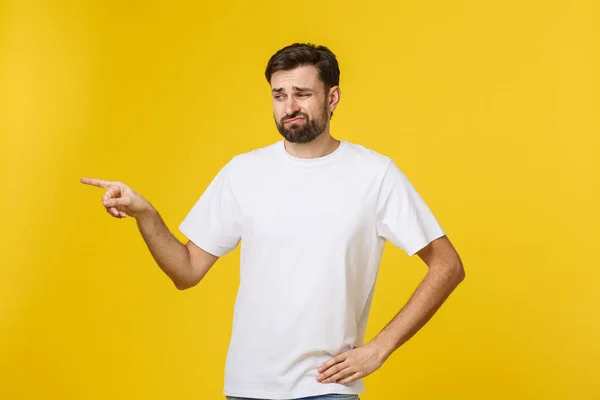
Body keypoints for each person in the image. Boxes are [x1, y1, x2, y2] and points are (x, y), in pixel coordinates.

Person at [81, 43, 465, 400]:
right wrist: (145, 214)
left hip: (326, 389)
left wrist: (380, 347)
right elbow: (186, 271)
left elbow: (447, 265)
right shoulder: (243, 172)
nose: (289, 106)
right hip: (248, 387)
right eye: (279, 95)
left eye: (302, 93)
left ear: (332, 98)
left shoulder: (375, 175)